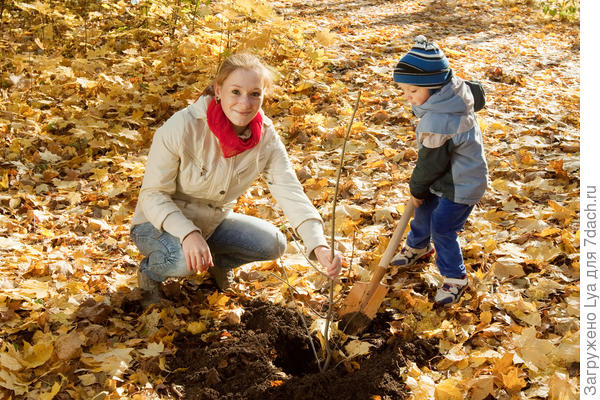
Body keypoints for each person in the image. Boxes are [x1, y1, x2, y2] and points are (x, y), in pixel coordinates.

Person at [130, 53, 342, 305]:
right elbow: (153, 195)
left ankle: (218, 264)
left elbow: (290, 191)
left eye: (254, 94)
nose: (245, 103)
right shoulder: (183, 127)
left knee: (273, 243)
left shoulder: (265, 138)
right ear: (218, 90)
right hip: (156, 223)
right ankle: (150, 273)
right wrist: (187, 233)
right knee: (180, 259)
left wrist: (318, 245)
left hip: (211, 221)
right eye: (236, 92)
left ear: (264, 95)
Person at [389, 36, 488, 306]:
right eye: (404, 90)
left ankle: (455, 278)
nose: (407, 97)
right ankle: (419, 246)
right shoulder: (448, 95)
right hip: (447, 174)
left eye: (412, 91)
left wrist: (416, 188)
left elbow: (430, 164)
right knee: (423, 210)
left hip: (461, 183)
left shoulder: (440, 120)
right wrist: (422, 193)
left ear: (433, 87)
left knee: (442, 226)